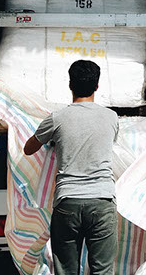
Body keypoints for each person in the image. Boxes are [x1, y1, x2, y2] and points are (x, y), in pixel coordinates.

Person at [24, 60, 119, 275]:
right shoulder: (111, 117)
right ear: (97, 86)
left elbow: (28, 149)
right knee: (102, 271)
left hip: (68, 202)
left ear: (70, 84)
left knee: (66, 270)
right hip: (102, 202)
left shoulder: (57, 118)